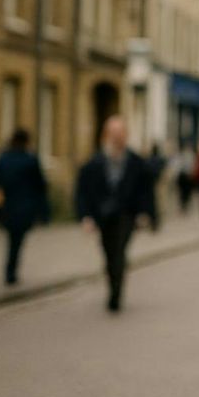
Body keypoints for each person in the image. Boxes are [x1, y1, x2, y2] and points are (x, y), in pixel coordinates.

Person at [75, 116, 157, 312]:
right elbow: (83, 192)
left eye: (120, 133)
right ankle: (113, 281)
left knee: (119, 251)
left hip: (126, 214)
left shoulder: (136, 162)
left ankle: (115, 294)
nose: (117, 138)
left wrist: (145, 213)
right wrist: (85, 217)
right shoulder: (94, 163)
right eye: (113, 134)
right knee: (108, 252)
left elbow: (145, 190)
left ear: (126, 135)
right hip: (103, 216)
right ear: (106, 135)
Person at [0, 128, 49, 285]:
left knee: (13, 239)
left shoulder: (3, 158)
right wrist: (44, 212)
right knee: (17, 240)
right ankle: (11, 272)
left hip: (7, 207)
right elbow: (40, 186)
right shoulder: (30, 160)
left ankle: (10, 270)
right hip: (25, 207)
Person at [174, 143, 197, 213]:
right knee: (183, 192)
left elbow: (194, 166)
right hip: (184, 176)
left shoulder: (191, 156)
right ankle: (184, 204)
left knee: (186, 192)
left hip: (186, 176)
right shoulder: (182, 156)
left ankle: (185, 204)